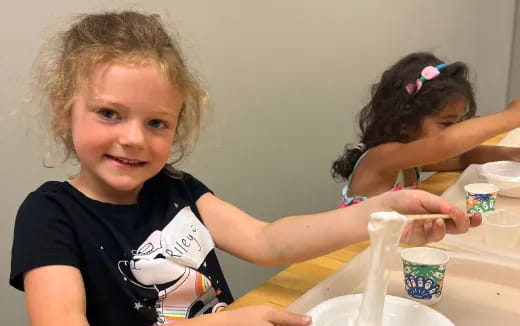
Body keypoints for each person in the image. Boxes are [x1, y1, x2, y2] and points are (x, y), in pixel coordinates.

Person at [9, 12, 480, 326]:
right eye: (109, 113)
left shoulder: (176, 190)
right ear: (63, 110)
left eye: (156, 122)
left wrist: (381, 214)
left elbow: (267, 241)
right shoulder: (48, 216)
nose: (133, 137)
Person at [332, 52, 520, 207]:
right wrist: (512, 116)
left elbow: (463, 157)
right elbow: (447, 144)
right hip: (355, 251)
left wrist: (512, 154)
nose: (454, 130)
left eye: (458, 123)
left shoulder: (412, 158)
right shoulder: (383, 158)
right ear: (406, 121)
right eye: (446, 124)